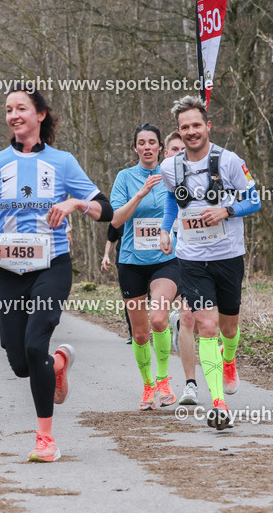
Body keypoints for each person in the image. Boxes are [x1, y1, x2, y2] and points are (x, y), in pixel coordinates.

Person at [0, 85, 113, 462]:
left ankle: (45, 439)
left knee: (36, 345)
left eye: (21, 108)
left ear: (40, 114)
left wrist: (73, 202)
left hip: (52, 266)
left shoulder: (63, 162)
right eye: (8, 109)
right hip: (11, 270)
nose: (14, 115)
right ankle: (60, 363)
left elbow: (106, 209)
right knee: (19, 362)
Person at [158, 96, 261, 430]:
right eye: (185, 127)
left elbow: (255, 200)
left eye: (196, 125)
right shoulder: (169, 168)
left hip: (228, 255)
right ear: (179, 131)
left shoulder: (229, 161)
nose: (191, 132)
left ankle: (229, 359)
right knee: (207, 326)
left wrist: (226, 210)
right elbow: (175, 204)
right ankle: (218, 403)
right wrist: (165, 230)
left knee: (228, 327)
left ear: (207, 127)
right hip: (191, 258)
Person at [109, 124, 182, 411]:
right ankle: (148, 385)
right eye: (142, 143)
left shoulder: (172, 177)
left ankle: (163, 380)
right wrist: (139, 194)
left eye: (152, 142)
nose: (147, 147)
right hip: (131, 262)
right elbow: (115, 220)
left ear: (161, 148)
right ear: (135, 148)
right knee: (140, 334)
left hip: (166, 259)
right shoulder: (124, 177)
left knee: (159, 319)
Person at [164, 131, 199, 405]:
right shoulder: (167, 176)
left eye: (181, 148)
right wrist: (165, 231)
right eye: (173, 148)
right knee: (188, 313)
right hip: (175, 249)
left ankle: (179, 323)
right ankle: (190, 383)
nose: (179, 152)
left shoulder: (202, 171)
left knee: (206, 318)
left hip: (207, 250)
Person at [100, 224, 133, 344]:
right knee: (130, 299)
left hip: (152, 261)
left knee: (152, 298)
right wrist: (106, 256)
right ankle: (133, 333)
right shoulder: (120, 214)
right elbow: (111, 239)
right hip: (125, 262)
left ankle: (158, 328)